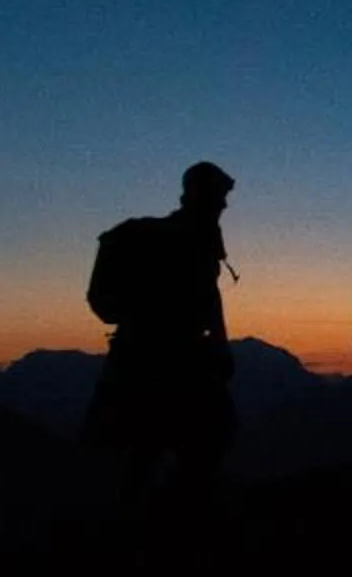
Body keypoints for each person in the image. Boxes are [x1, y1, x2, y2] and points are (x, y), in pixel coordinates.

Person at [82, 161, 239, 509]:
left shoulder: (196, 242)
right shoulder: (177, 240)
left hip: (162, 357)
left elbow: (209, 299)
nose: (224, 205)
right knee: (153, 447)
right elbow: (204, 300)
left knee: (162, 445)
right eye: (220, 197)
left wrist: (219, 344)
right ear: (201, 195)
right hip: (157, 361)